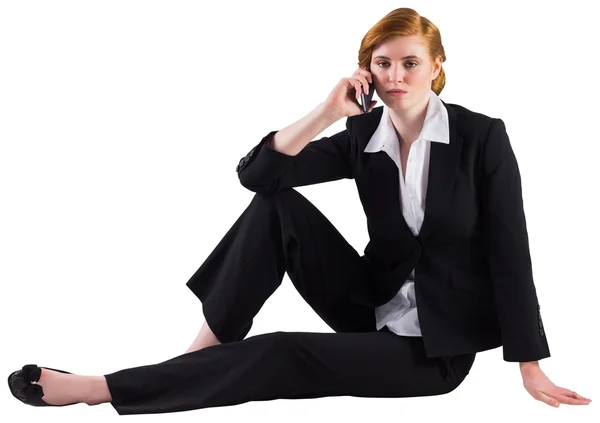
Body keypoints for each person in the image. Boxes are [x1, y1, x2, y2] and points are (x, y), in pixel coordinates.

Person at [8, 7, 591, 415]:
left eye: (410, 63)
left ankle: (99, 388)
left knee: (284, 350)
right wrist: (326, 112)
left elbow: (511, 252)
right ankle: (199, 356)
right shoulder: (364, 134)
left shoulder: (482, 137)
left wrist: (529, 363)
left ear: (437, 65)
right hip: (371, 302)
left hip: (430, 351)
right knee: (277, 208)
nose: (395, 77)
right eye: (382, 63)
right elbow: (256, 177)